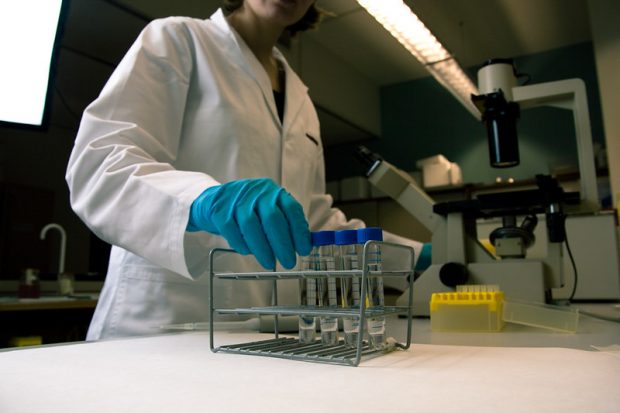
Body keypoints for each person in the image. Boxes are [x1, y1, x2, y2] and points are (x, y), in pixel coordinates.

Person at [66, 0, 427, 341]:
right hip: (161, 325)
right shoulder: (178, 40)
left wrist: (415, 257)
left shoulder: (301, 99)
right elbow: (100, 162)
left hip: (269, 333)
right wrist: (201, 202)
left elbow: (314, 221)